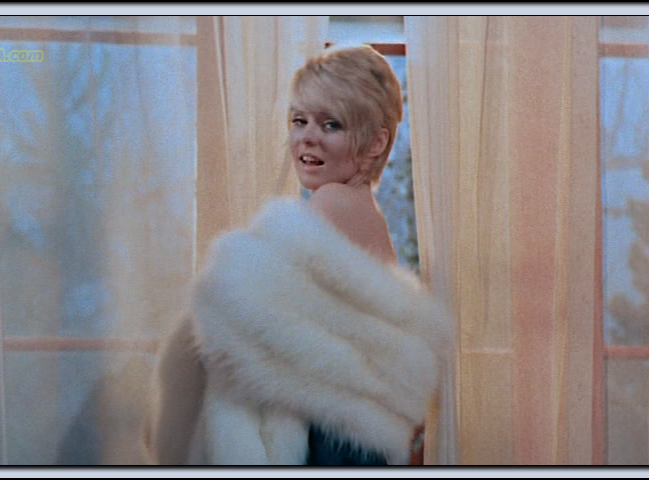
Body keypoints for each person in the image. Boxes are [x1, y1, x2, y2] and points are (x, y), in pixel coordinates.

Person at [143, 45, 451, 466]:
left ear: (376, 142)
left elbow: (247, 323)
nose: (308, 136)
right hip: (358, 435)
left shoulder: (332, 201)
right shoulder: (365, 212)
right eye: (299, 120)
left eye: (331, 124)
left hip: (331, 433)